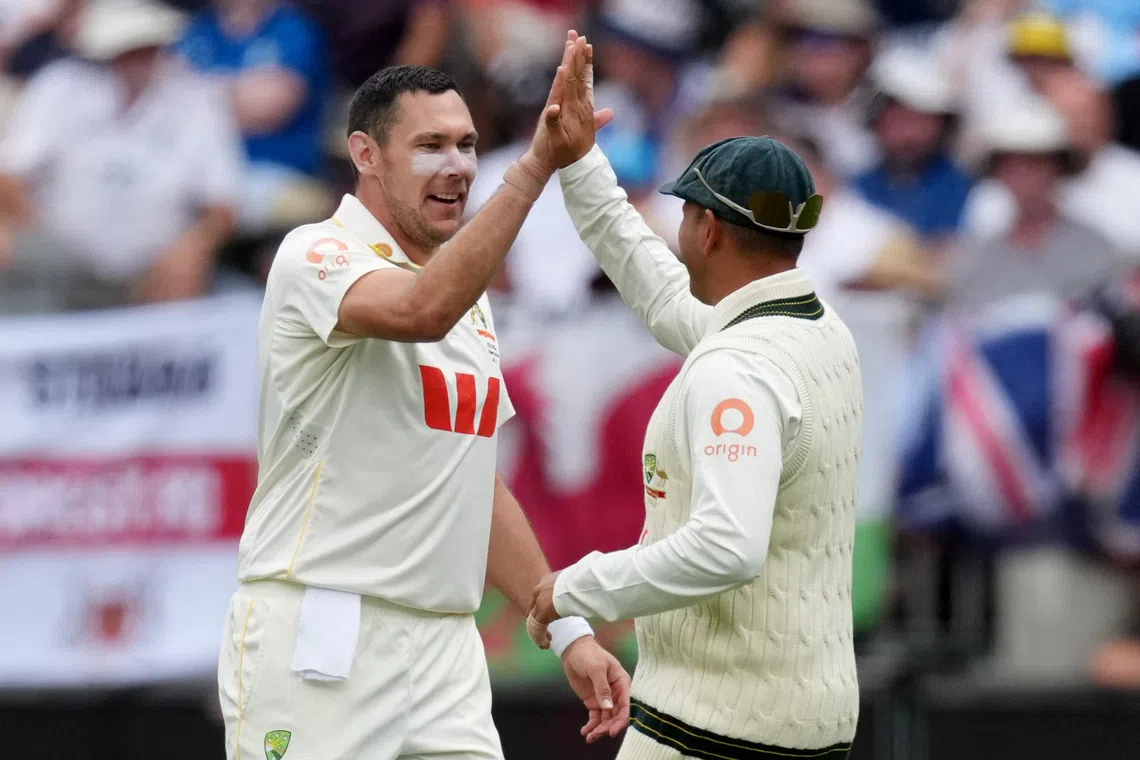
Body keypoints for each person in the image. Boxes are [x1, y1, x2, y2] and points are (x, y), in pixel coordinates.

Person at [217, 37, 631, 760]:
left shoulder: (465, 294)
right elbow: (418, 311)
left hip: (445, 644)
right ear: (366, 154)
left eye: (469, 145)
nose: (458, 166)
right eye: (431, 145)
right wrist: (534, 166)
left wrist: (566, 627)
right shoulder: (315, 253)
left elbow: (474, 477)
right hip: (325, 628)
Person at [528, 33, 863, 759]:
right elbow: (653, 281)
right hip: (800, 720)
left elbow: (725, 547)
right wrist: (580, 162)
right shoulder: (816, 327)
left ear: (706, 228)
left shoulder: (734, 364)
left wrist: (576, 587)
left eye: (684, 214)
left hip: (715, 728)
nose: (673, 229)